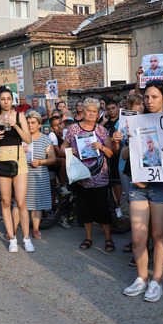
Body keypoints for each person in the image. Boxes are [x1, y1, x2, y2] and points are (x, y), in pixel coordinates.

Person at [121, 82, 163, 301]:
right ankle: (142, 277)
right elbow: (125, 156)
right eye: (147, 98)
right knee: (137, 238)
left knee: (159, 236)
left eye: (154, 97)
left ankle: (157, 281)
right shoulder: (136, 122)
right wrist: (128, 142)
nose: (149, 101)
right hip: (139, 187)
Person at [64, 97, 117, 253]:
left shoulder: (102, 131)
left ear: (98, 113)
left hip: (100, 177)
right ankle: (88, 238)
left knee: (103, 209)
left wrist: (101, 146)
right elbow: (62, 146)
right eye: (89, 111)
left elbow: (111, 153)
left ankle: (108, 238)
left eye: (95, 111)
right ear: (84, 111)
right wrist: (69, 151)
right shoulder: (73, 129)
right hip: (81, 177)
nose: (92, 114)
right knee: (85, 209)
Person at [0, 86, 33, 253]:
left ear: (12, 100)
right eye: (3, 99)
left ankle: (27, 238)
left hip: (19, 159)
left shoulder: (19, 116)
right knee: (6, 201)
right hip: (2, 159)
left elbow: (28, 139)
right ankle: (12, 238)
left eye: (8, 98)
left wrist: (15, 126)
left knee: (21, 202)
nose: (6, 102)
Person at [25, 110, 56, 240]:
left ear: (39, 125)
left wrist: (40, 162)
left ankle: (36, 229)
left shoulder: (45, 140)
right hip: (24, 174)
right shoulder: (22, 139)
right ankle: (20, 229)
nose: (30, 125)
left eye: (33, 123)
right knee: (22, 203)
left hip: (39, 175)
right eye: (28, 123)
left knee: (37, 204)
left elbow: (52, 158)